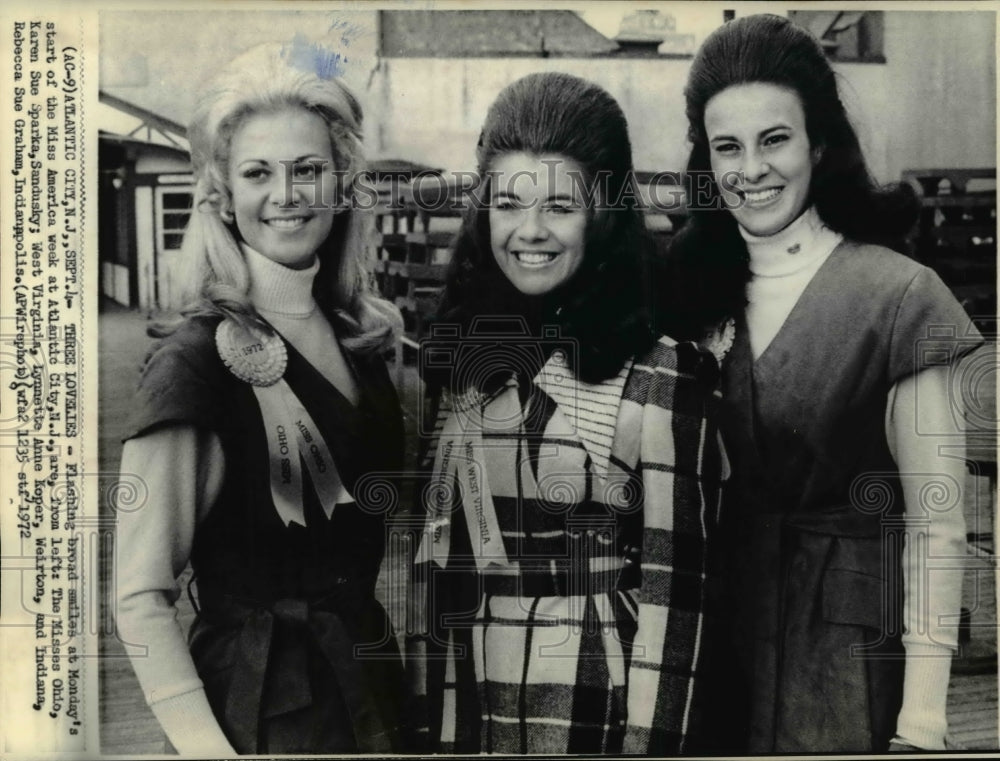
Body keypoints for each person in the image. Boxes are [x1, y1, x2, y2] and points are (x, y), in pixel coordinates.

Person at [663, 13, 985, 754]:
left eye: (774, 138)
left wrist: (923, 722)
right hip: (716, 653)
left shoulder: (900, 296)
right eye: (727, 147)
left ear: (819, 142)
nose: (752, 168)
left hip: (847, 666)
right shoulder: (685, 291)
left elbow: (936, 523)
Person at [406, 71, 731, 755]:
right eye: (509, 203)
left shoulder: (662, 372)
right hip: (473, 691)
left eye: (560, 205)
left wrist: (652, 744)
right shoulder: (470, 352)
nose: (530, 232)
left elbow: (679, 604)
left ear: (604, 216)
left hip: (593, 693)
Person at [113, 44, 409, 755]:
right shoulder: (195, 362)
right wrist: (204, 747)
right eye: (257, 173)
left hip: (368, 692)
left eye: (307, 169)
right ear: (221, 193)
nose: (287, 194)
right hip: (255, 717)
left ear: (339, 184)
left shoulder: (364, 342)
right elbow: (138, 595)